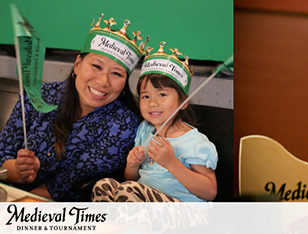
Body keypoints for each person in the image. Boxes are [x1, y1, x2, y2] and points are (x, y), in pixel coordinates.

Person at [0, 13, 146, 201]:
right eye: (96, 66)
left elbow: (60, 187)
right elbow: (3, 154)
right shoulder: (37, 95)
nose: (103, 81)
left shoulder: (124, 124)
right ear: (77, 65)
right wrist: (18, 170)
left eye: (117, 73)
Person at [92, 43, 218, 202]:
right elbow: (130, 179)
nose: (152, 103)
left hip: (184, 211)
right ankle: (117, 225)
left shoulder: (194, 142)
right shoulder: (145, 130)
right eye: (145, 96)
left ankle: (123, 224)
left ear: (183, 102)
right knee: (104, 186)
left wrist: (171, 163)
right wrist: (132, 164)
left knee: (128, 190)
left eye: (162, 95)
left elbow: (210, 192)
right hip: (141, 201)